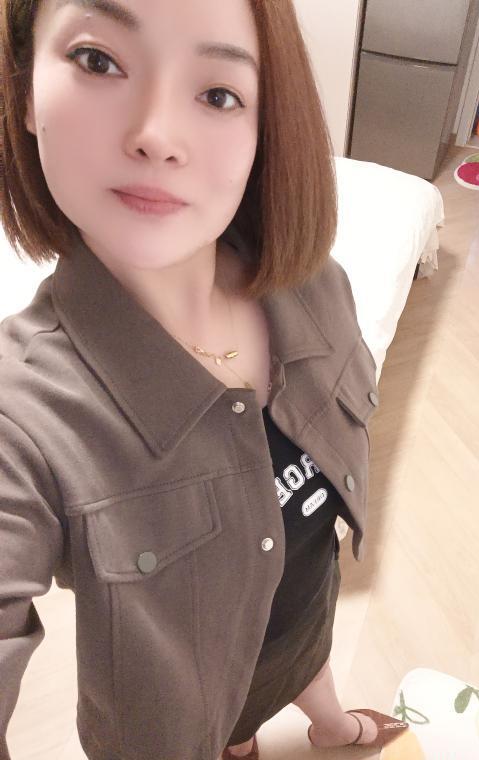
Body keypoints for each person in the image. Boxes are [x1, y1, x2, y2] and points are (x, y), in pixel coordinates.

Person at [0, 1, 408, 759]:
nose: (156, 134)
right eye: (98, 61)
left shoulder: (318, 286)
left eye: (219, 94)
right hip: (188, 710)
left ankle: (331, 726)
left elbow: (315, 529)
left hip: (302, 617)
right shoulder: (21, 417)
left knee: (306, 647)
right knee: (227, 732)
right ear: (24, 90)